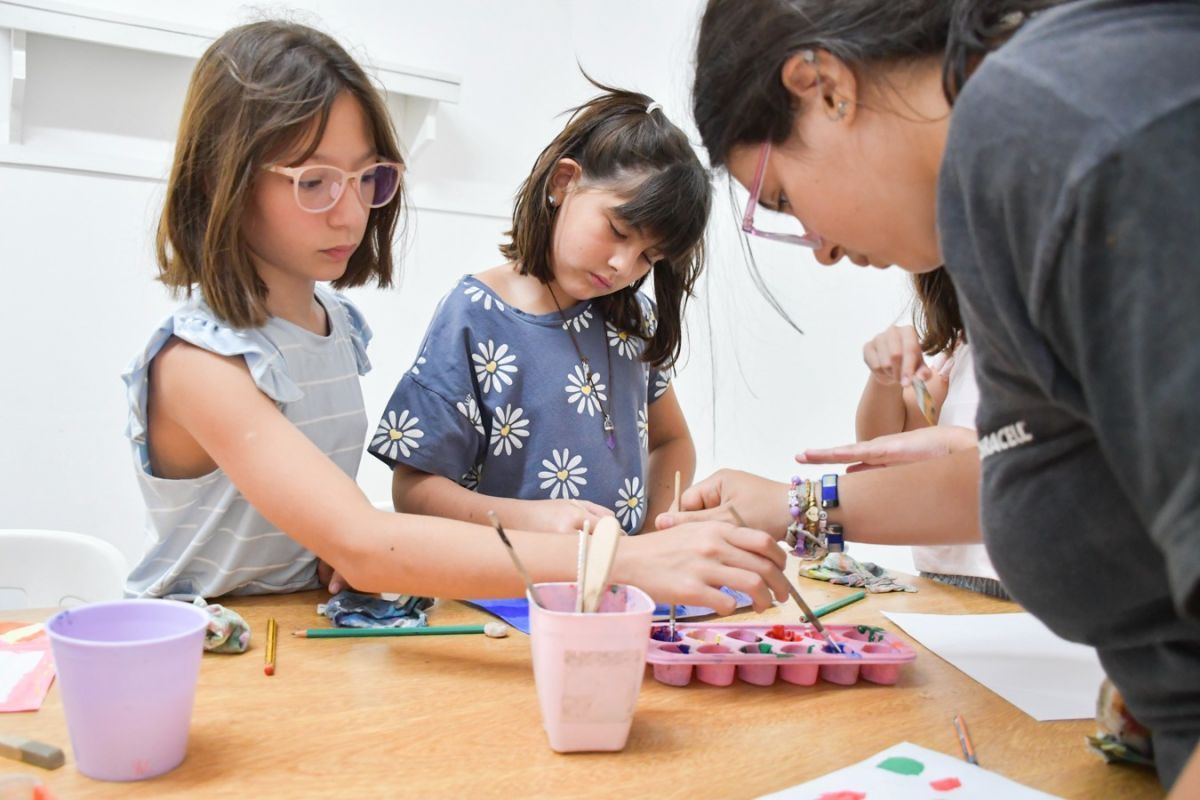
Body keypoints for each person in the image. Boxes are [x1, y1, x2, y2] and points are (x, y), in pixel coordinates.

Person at [671, 0, 1200, 790]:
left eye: (779, 200)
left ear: (824, 87)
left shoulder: (1061, 130)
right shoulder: (993, 194)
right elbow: (1016, 472)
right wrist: (790, 505)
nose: (820, 250)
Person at [120, 20, 789, 616]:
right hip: (199, 649)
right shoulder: (199, 366)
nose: (352, 214)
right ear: (220, 178)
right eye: (313, 182)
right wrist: (627, 560)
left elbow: (339, 534)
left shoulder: (333, 325)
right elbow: (366, 539)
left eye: (366, 179)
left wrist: (322, 554)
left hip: (302, 627)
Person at [368, 84, 703, 536]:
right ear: (564, 183)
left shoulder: (633, 320)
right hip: (507, 576)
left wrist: (647, 538)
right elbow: (412, 489)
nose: (624, 266)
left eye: (649, 257)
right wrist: (531, 521)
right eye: (619, 231)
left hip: (616, 574)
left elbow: (673, 441)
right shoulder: (476, 315)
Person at [799, 268, 1006, 598]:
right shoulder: (963, 349)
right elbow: (883, 443)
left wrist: (952, 441)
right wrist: (884, 379)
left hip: (1026, 579)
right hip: (943, 579)